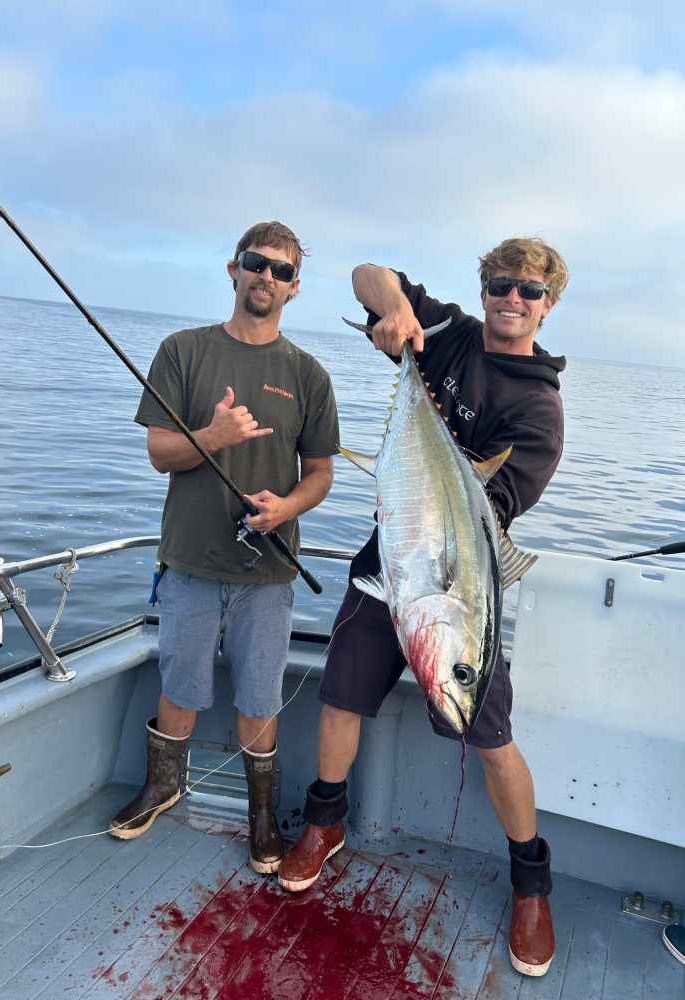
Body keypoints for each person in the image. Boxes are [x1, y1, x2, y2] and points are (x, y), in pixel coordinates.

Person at [277, 237, 569, 978]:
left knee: (490, 735)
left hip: (454, 579)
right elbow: (364, 274)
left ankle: (530, 882)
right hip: (391, 570)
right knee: (340, 697)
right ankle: (326, 822)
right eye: (502, 283)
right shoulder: (447, 335)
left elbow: (489, 515)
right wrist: (398, 311)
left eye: (529, 290)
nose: (513, 297)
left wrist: (446, 468)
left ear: (548, 304)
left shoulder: (539, 410)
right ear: (484, 290)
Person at [109, 221, 339, 877]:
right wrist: (213, 434)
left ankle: (262, 815)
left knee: (259, 699)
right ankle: (163, 785)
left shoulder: (309, 374)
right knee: (179, 684)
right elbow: (159, 453)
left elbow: (320, 471)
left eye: (282, 271)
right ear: (233, 270)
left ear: (295, 290)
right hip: (188, 564)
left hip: (267, 573)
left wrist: (287, 508)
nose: (267, 277)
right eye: (255, 263)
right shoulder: (181, 352)